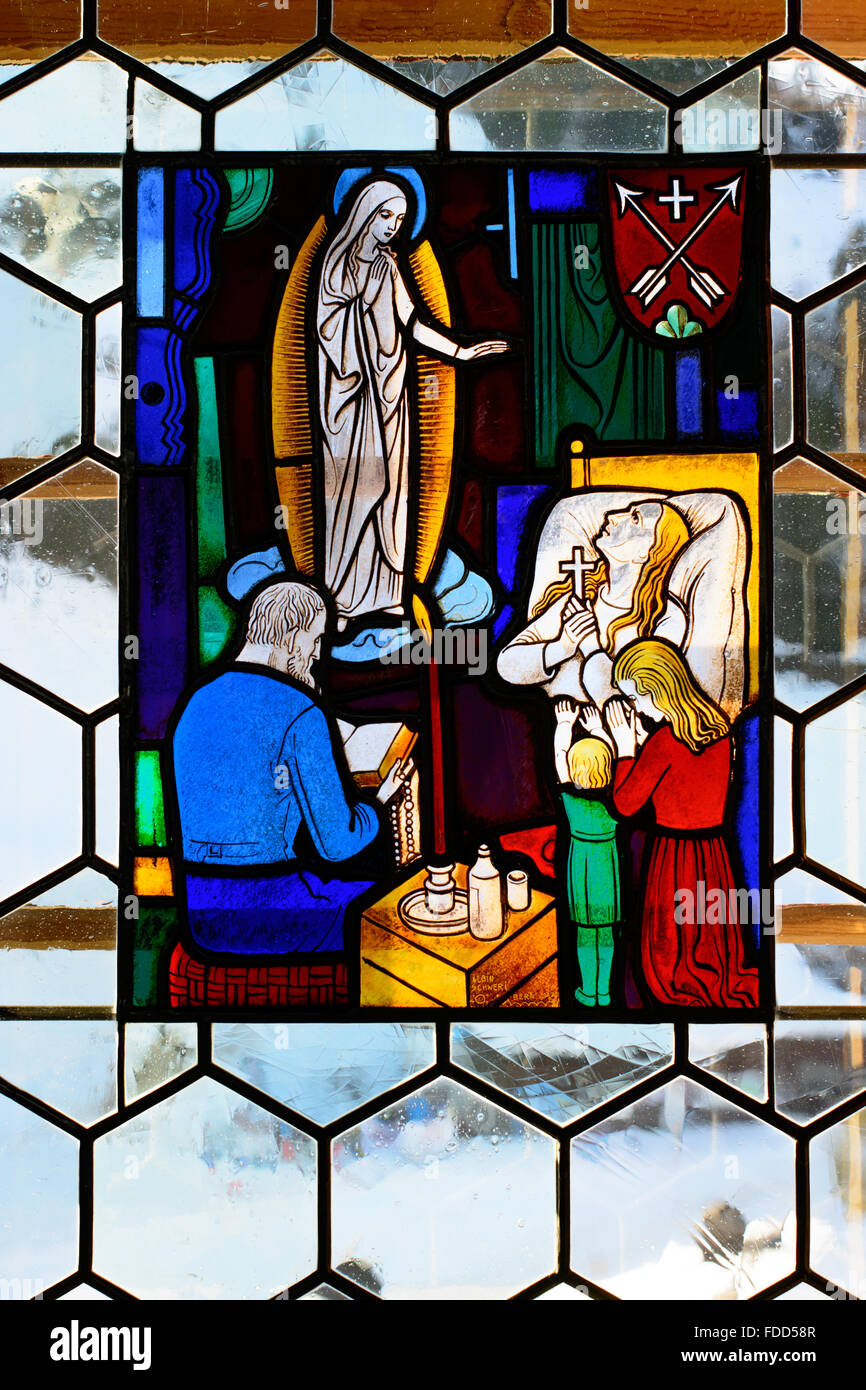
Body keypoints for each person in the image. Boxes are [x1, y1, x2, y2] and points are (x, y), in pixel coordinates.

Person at [170, 579, 411, 955]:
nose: (316, 654)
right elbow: (337, 844)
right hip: (272, 909)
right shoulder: (300, 709)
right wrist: (377, 805)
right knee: (398, 914)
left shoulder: (197, 702)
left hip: (199, 910)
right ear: (292, 636)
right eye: (314, 640)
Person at [317, 178, 507, 626]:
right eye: (385, 216)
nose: (392, 227)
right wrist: (358, 315)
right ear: (363, 214)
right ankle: (341, 596)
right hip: (351, 403)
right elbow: (330, 330)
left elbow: (410, 322)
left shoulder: (389, 265)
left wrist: (460, 352)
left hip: (390, 396)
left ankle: (386, 591)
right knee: (356, 491)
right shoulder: (335, 268)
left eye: (400, 220)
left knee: (393, 494)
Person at [608, 638, 759, 1008]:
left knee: (672, 955)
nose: (634, 707)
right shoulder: (719, 730)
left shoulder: (663, 741)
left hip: (674, 859)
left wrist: (626, 749)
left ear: (658, 690)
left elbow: (624, 806)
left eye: (635, 697)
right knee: (710, 941)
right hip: (714, 856)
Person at [497, 499, 689, 707]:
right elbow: (507, 663)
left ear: (649, 550)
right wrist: (562, 646)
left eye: (635, 519)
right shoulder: (583, 595)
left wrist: (592, 647)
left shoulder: (667, 618)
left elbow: (642, 702)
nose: (612, 516)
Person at [553, 699, 621, 1007]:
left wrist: (564, 724)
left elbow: (559, 756)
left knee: (584, 933)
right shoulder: (615, 801)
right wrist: (598, 729)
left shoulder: (571, 800)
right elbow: (618, 761)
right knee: (605, 933)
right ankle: (604, 992)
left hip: (581, 867)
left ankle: (587, 991)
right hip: (607, 868)